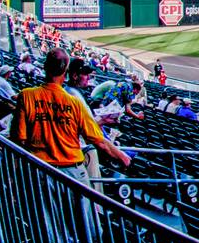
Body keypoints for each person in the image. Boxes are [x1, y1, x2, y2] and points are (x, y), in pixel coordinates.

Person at [11, 49, 131, 181]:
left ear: (44, 67)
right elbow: (98, 141)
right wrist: (123, 157)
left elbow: (19, 138)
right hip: (71, 173)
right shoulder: (75, 103)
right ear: (66, 72)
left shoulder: (26, 96)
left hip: (38, 170)